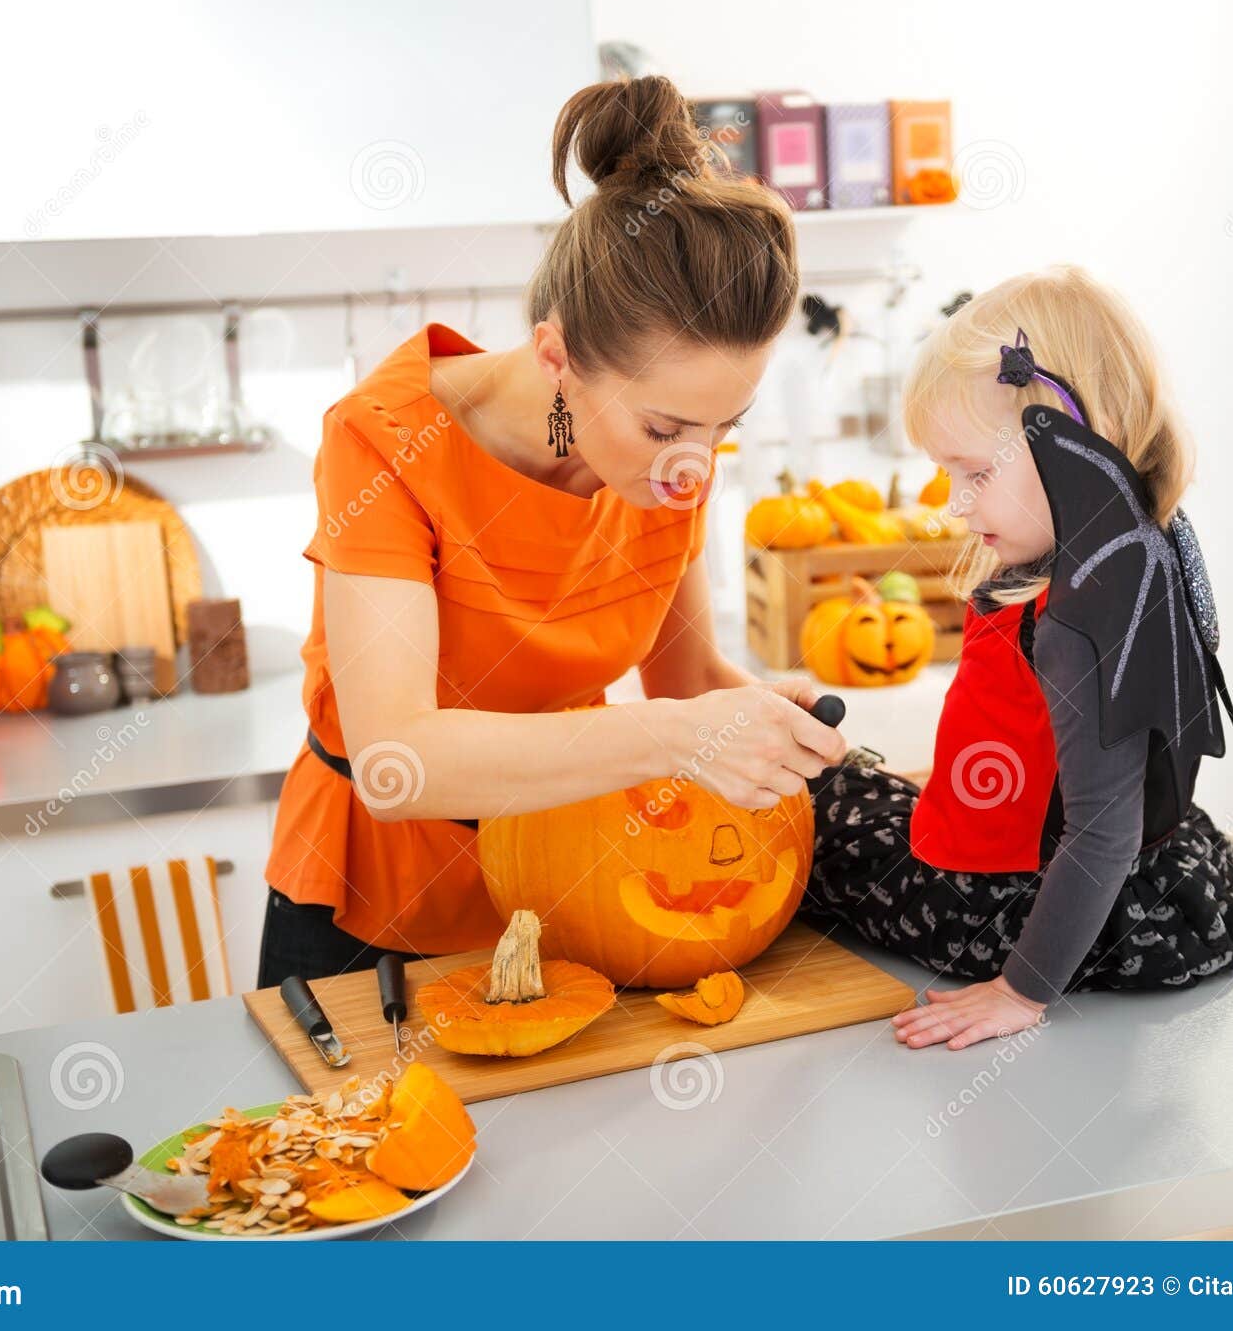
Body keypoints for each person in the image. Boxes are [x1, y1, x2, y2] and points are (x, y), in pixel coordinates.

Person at [258, 75, 848, 987]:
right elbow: (399, 760)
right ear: (556, 356)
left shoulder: (670, 463)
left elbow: (686, 681)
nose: (694, 465)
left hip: (578, 885)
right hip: (379, 911)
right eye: (664, 428)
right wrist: (683, 735)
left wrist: (766, 719)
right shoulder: (382, 439)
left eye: (722, 426)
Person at [801, 266, 1233, 1049]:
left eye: (972, 472)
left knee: (816, 817)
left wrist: (1020, 990)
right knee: (854, 780)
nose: (955, 503)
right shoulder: (1132, 550)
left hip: (1021, 910)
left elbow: (1102, 829)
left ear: (1065, 438)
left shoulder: (1074, 620)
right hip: (1126, 878)